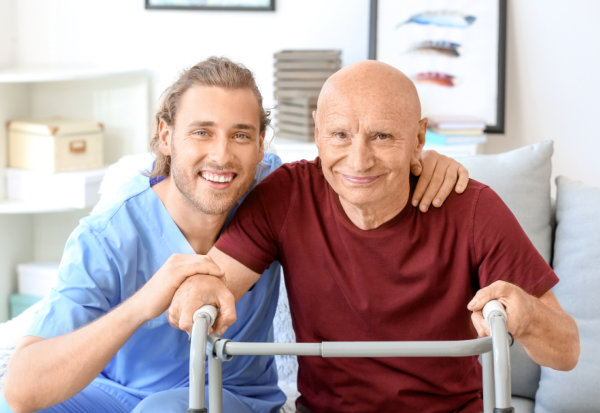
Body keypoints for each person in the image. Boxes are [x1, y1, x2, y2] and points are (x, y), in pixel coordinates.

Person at [2, 57, 468, 413]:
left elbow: (358, 169)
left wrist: (425, 163)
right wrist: (146, 303)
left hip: (231, 395)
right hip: (112, 395)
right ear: (166, 136)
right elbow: (22, 387)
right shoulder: (108, 235)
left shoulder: (280, 193)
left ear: (262, 144)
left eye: (241, 135)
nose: (221, 156)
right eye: (202, 132)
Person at [168, 60, 580, 413]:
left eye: (382, 136)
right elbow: (213, 282)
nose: (359, 160)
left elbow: (566, 352)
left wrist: (524, 314)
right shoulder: (287, 195)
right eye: (340, 135)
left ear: (419, 139)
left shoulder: (471, 208)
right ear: (317, 133)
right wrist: (199, 286)